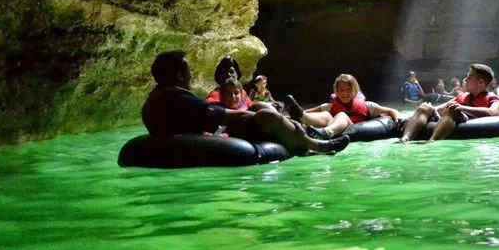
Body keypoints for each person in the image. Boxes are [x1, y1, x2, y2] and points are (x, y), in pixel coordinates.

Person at [141, 51, 349, 154]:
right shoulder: (178, 99)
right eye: (188, 72)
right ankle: (315, 145)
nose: (191, 76)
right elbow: (223, 115)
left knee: (261, 108)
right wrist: (258, 115)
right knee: (265, 115)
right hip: (206, 141)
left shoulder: (157, 98)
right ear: (179, 75)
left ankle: (302, 129)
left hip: (200, 135)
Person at [399, 63, 499, 143]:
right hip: (446, 119)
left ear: (480, 82)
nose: (465, 80)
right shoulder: (462, 96)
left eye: (470, 77)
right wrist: (410, 118)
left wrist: (462, 108)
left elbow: (493, 112)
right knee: (425, 106)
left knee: (453, 109)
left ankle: (432, 142)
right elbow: (438, 109)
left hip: (465, 120)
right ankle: (405, 139)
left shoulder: (492, 98)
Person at [284, 74, 401, 139]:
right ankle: (303, 118)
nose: (345, 93)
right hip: (331, 124)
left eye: (349, 89)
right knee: (325, 114)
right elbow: (310, 111)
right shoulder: (329, 106)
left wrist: (398, 120)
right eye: (341, 90)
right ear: (336, 91)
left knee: (342, 115)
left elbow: (391, 111)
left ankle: (326, 133)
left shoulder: (368, 106)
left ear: (355, 90)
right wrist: (288, 117)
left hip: (351, 129)